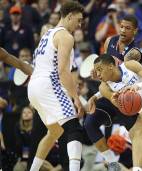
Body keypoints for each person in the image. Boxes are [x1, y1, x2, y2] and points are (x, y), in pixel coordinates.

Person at [85, 15, 142, 171]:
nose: (122, 30)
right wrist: (97, 79)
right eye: (121, 26)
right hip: (111, 95)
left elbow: (122, 79)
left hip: (127, 96)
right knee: (89, 123)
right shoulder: (110, 41)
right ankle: (112, 164)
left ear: (135, 31)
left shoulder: (134, 53)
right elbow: (105, 76)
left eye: (127, 28)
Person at [27, 2, 85, 171]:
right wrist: (76, 98)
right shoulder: (65, 36)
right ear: (69, 16)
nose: (79, 25)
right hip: (48, 84)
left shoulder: (47, 34)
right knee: (74, 128)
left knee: (54, 133)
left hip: (34, 88)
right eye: (79, 20)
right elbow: (62, 71)